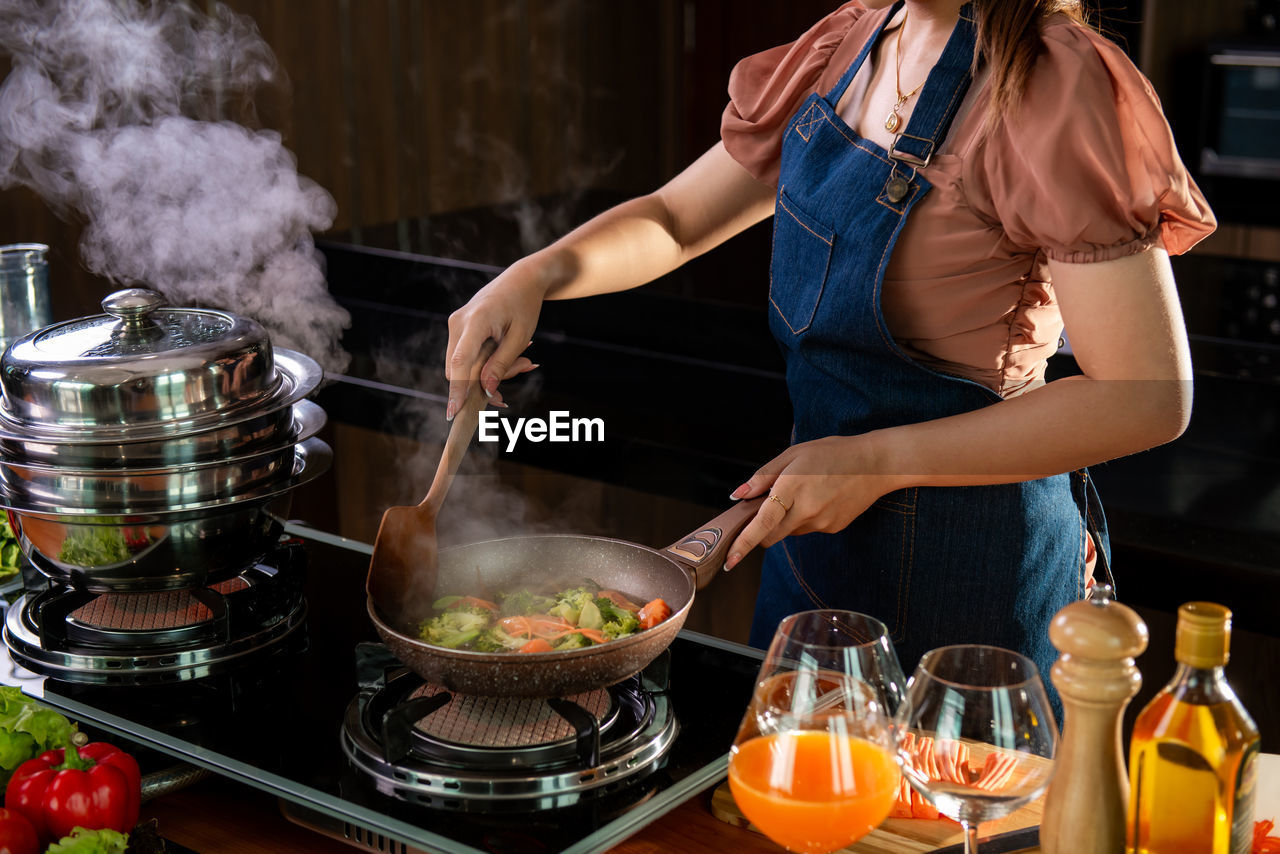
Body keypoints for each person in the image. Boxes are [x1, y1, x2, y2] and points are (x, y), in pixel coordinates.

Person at [442, 0, 1215, 688]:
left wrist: (875, 461)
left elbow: (1146, 397)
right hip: (816, 547)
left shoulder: (1051, 85)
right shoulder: (853, 42)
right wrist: (535, 276)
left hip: (975, 579)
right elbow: (677, 220)